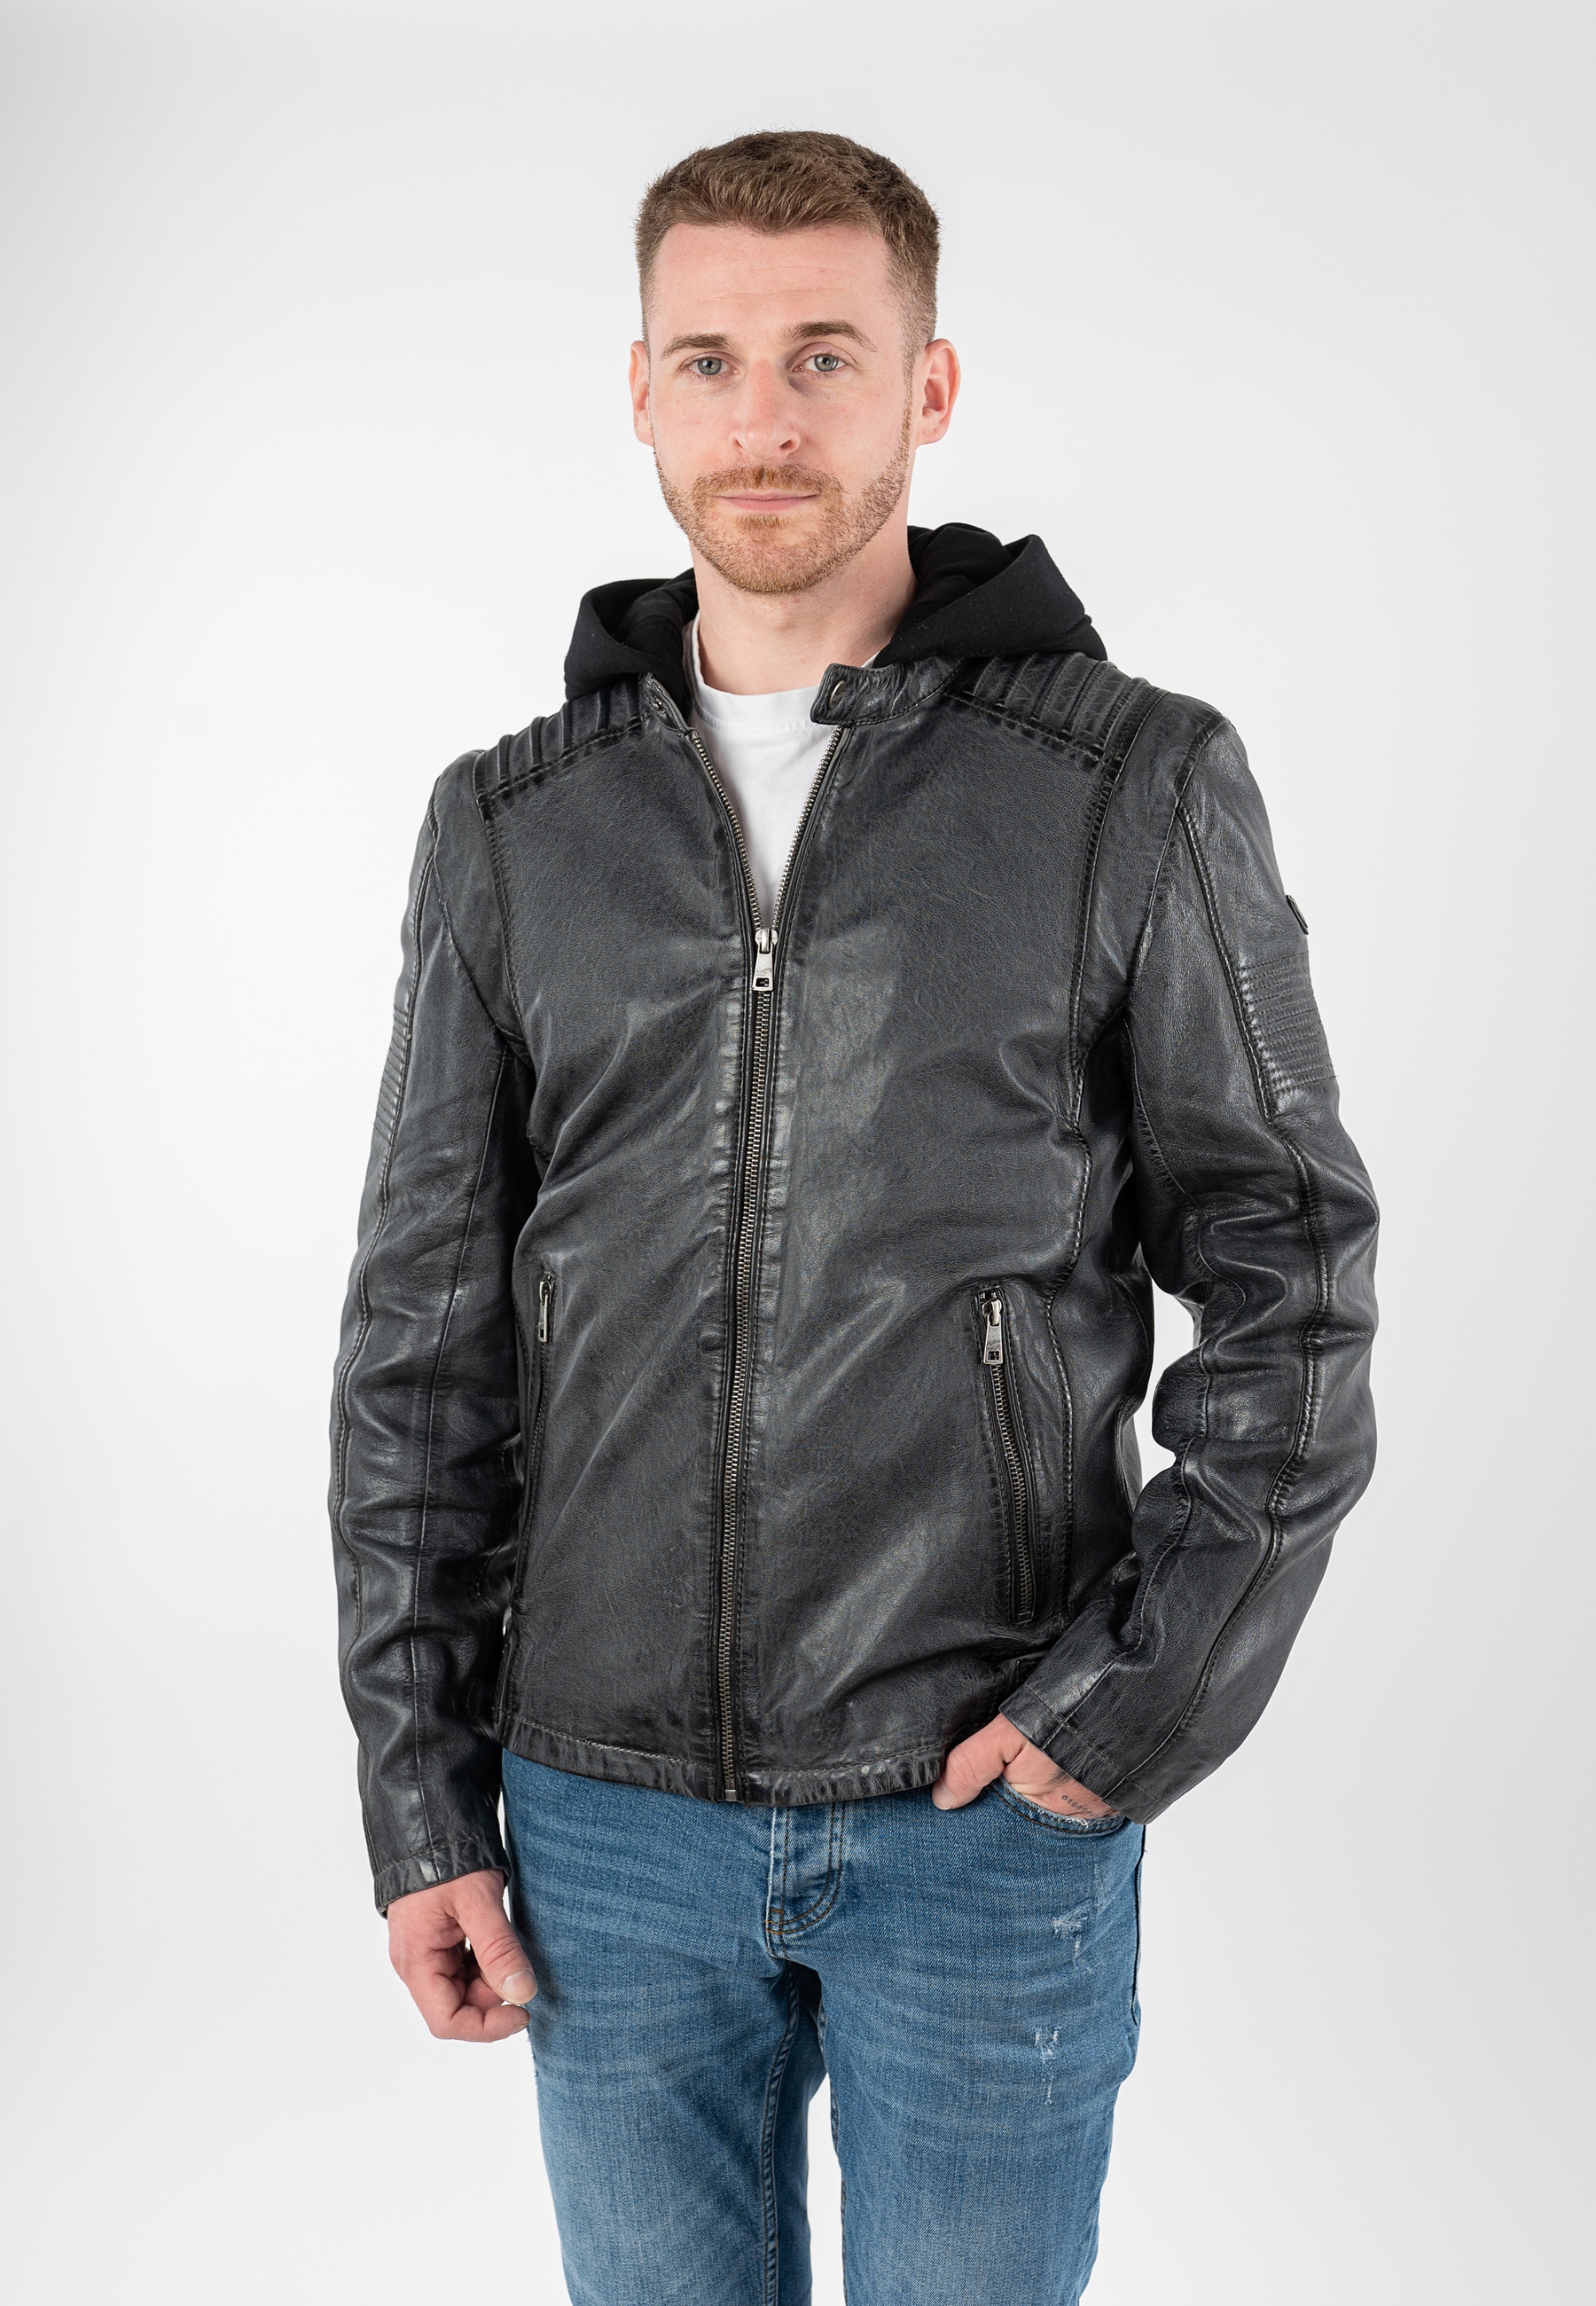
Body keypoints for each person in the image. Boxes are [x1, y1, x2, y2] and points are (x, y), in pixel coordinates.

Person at [329, 129, 1379, 2306]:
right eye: (710, 361)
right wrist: (422, 1797)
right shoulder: (513, 829)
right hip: (604, 1817)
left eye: (825, 354)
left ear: (930, 384)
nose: (766, 418)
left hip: (980, 1807)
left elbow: (1293, 1279)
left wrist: (1131, 1709)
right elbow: (423, 1352)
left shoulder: (1127, 784)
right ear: (639, 391)